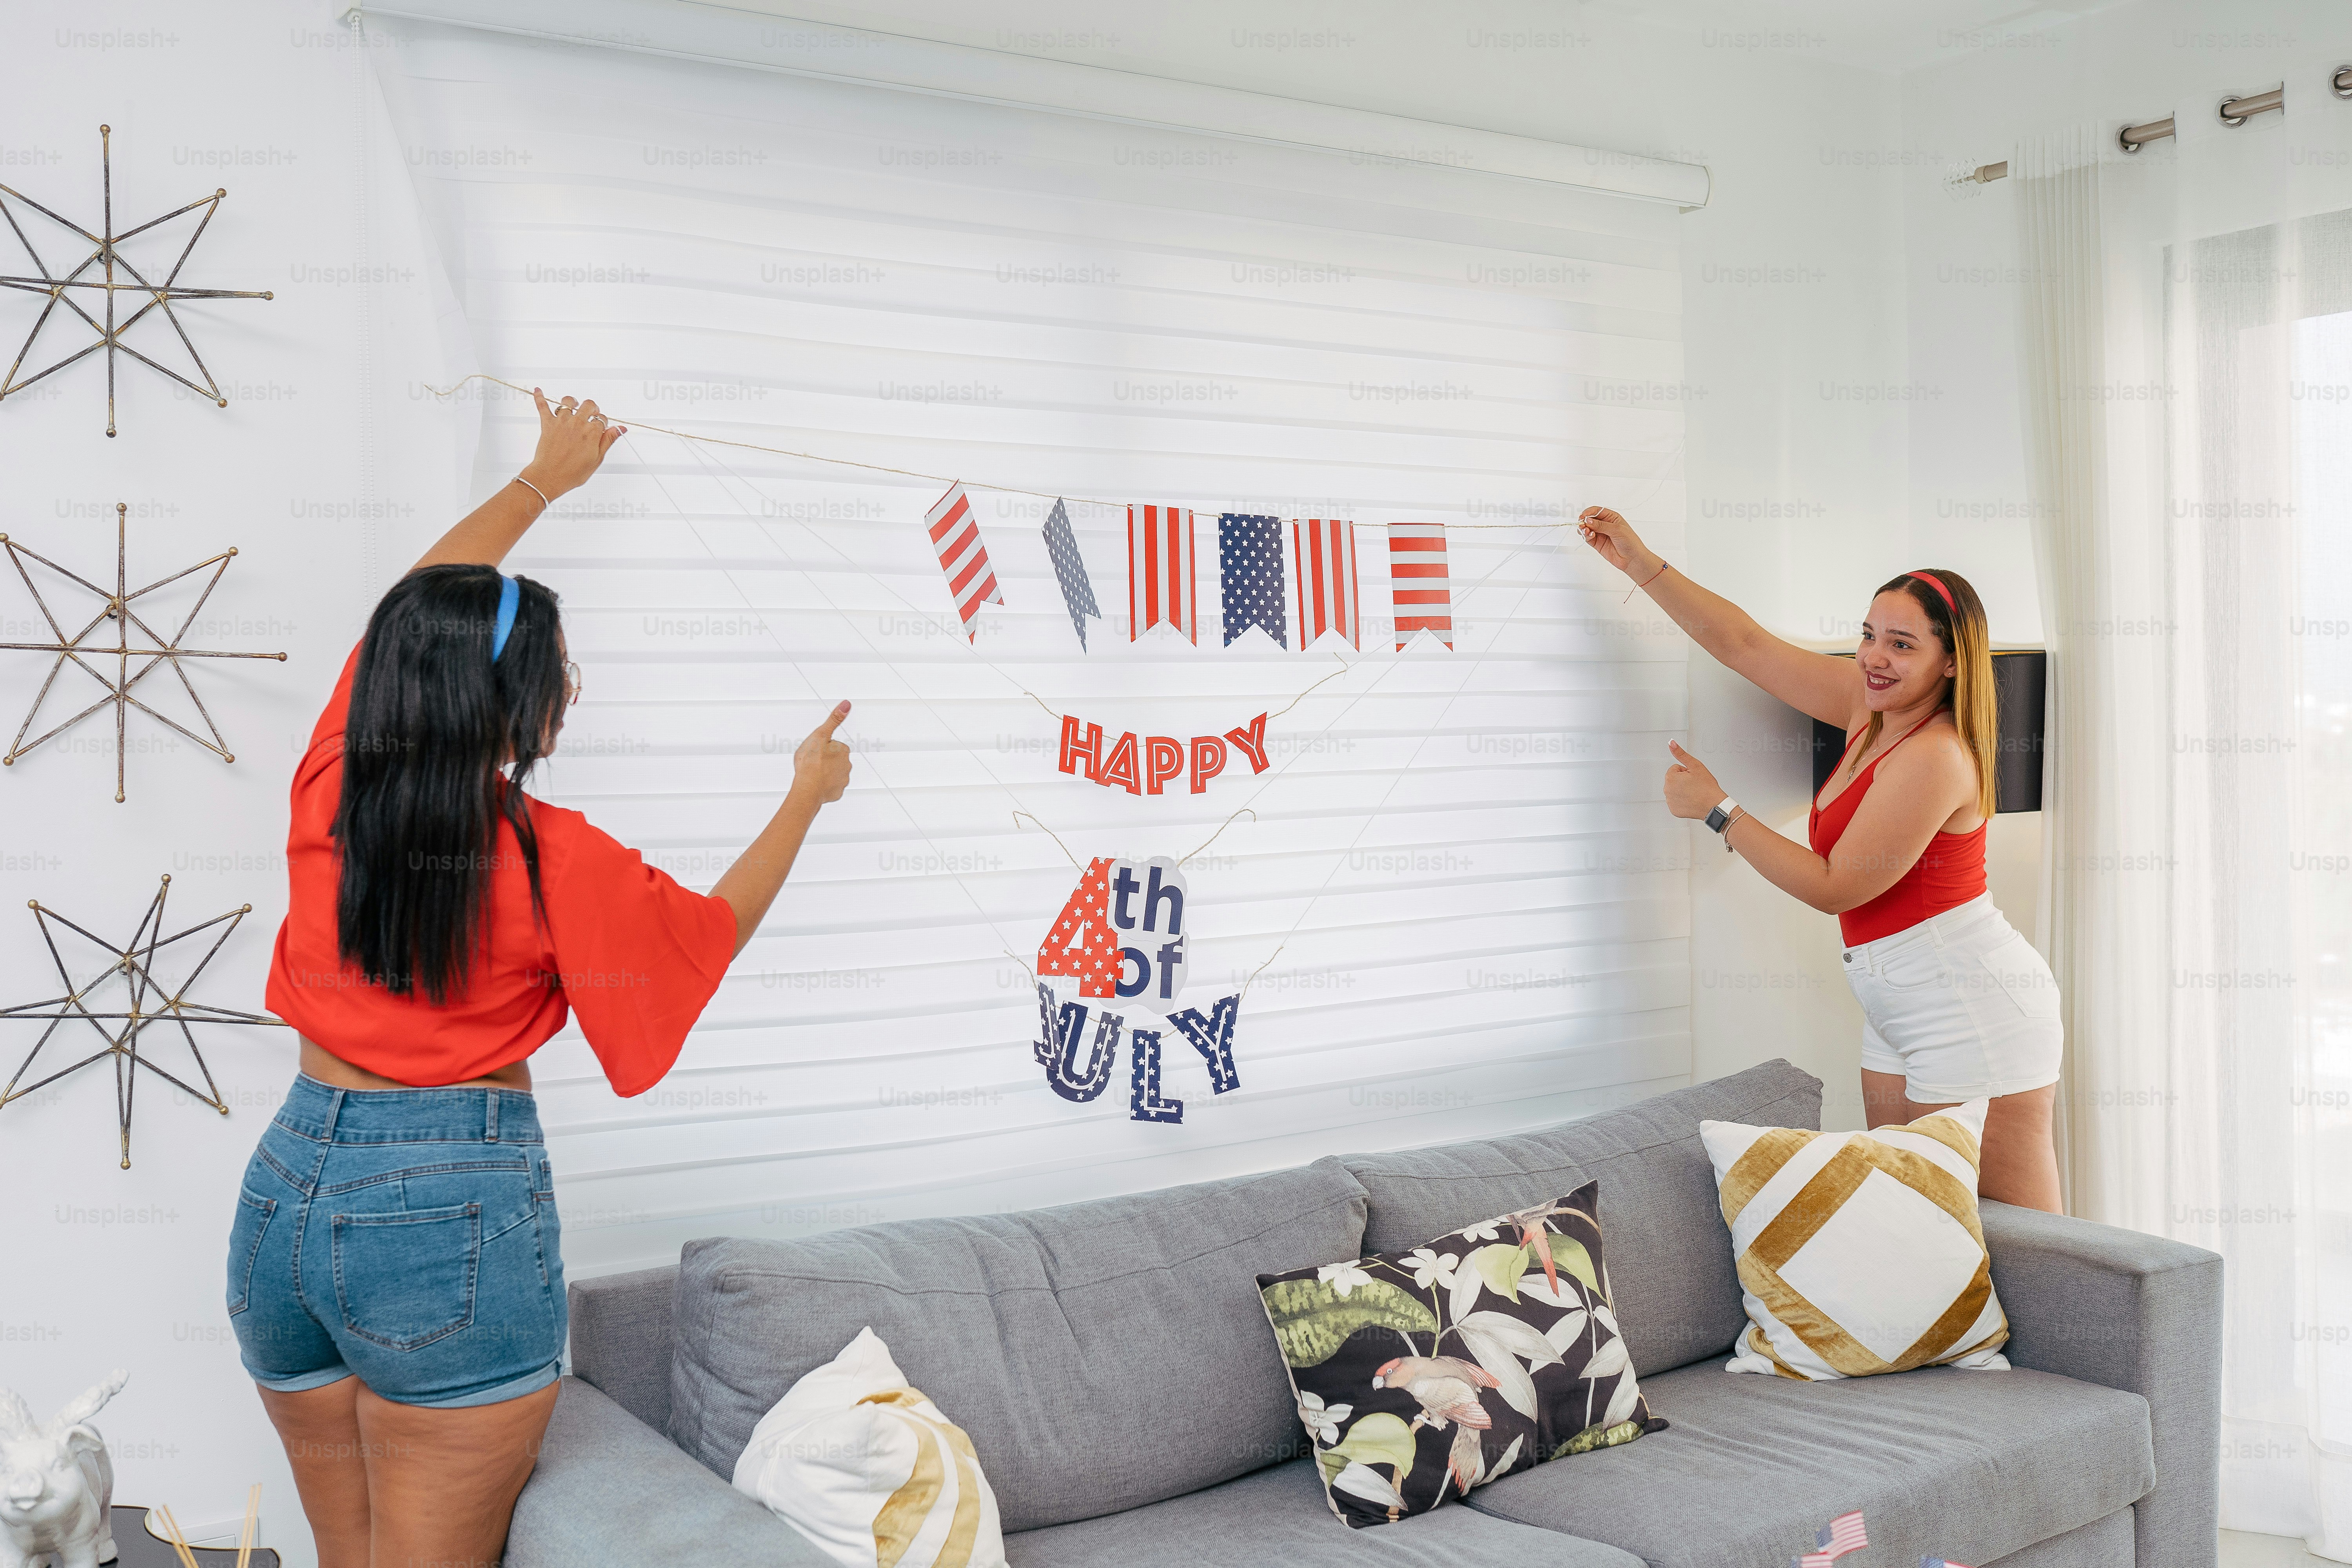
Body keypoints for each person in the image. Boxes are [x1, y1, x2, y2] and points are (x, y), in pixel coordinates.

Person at [226, 390, 854, 1568]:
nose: (570, 690)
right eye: (561, 672)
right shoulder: (549, 855)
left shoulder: (329, 786)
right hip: (447, 1211)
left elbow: (408, 613)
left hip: (284, 1192)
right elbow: (711, 932)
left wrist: (540, 485)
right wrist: (804, 797)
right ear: (518, 708)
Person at [1577, 505, 2062, 1212]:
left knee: (2031, 1247)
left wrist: (1719, 810)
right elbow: (1744, 644)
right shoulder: (1867, 712)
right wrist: (1640, 564)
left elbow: (1839, 887)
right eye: (1870, 636)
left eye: (1902, 645)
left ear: (1951, 661)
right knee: (1913, 1224)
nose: (1874, 657)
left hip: (1970, 1004)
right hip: (1898, 1002)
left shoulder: (1936, 756)